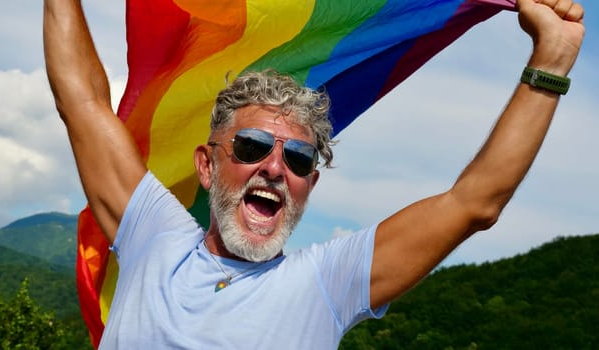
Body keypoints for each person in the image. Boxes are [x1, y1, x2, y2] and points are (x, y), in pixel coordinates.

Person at [43, 0, 585, 348]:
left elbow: (475, 202)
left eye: (299, 159)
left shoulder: (327, 282)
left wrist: (552, 61)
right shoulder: (153, 236)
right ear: (207, 166)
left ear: (310, 186)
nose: (275, 168)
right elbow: (83, 102)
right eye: (253, 146)